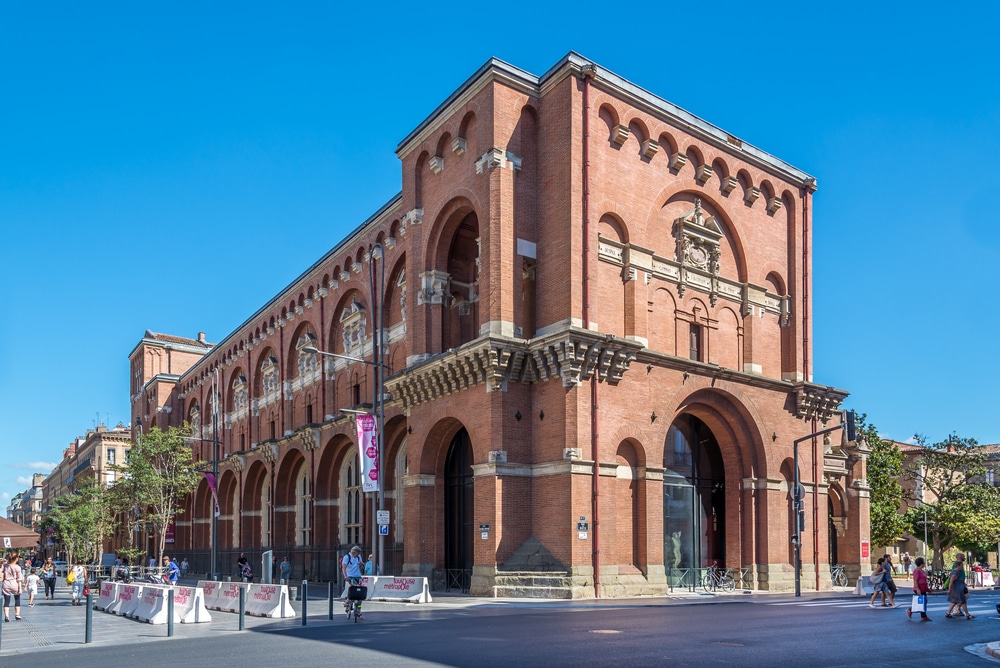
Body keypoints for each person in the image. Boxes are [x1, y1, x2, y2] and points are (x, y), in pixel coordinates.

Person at [945, 552, 974, 619]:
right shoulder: (955, 572)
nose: (962, 567)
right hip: (957, 589)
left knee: (955, 601)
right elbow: (951, 582)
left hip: (959, 588)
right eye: (961, 566)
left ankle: (948, 613)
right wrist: (949, 589)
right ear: (958, 566)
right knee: (963, 601)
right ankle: (967, 614)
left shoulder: (957, 571)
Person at [341, 546, 365, 620]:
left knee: (360, 593)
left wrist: (362, 565)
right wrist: (345, 576)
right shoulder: (347, 557)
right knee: (351, 587)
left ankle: (359, 610)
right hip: (350, 576)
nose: (358, 554)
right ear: (353, 552)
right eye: (357, 553)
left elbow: (362, 568)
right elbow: (343, 567)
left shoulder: (358, 557)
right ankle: (348, 600)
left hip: (358, 576)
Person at [906, 556, 931, 622]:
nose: (924, 564)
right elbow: (915, 580)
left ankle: (923, 616)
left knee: (923, 601)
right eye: (924, 563)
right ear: (921, 563)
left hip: (923, 588)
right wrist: (917, 588)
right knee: (921, 602)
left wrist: (928, 589)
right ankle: (911, 610)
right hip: (919, 588)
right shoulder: (917, 571)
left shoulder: (921, 570)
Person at [2, 550, 24, 621]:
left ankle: (7, 616)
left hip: (6, 584)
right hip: (15, 584)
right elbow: (19, 579)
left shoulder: (5, 566)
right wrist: (20, 588)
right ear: (16, 558)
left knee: (6, 601)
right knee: (17, 599)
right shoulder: (17, 567)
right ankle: (17, 614)